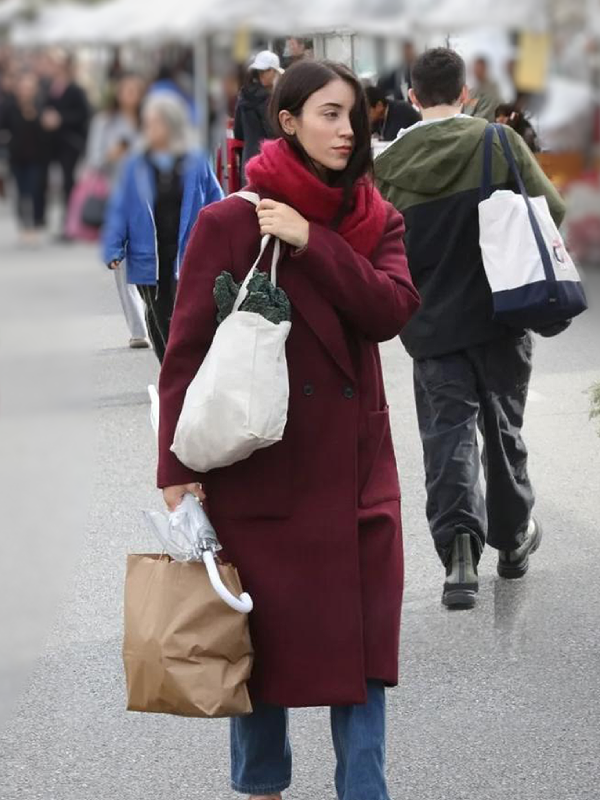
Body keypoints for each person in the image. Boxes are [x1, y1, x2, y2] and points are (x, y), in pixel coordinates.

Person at [157, 59, 420, 800]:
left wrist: (315, 241)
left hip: (357, 474)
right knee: (262, 653)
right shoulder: (229, 221)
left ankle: (364, 792)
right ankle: (261, 788)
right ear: (288, 121)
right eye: (329, 114)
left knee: (363, 652)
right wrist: (176, 474)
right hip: (260, 468)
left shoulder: (375, 215)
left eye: (353, 114)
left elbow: (392, 311)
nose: (347, 129)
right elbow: (184, 354)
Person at [375, 48, 565, 609]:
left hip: (429, 325)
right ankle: (510, 543)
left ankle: (460, 557)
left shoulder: (387, 165)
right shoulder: (497, 142)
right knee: (502, 430)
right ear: (464, 93)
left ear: (411, 97)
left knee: (446, 434)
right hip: (499, 316)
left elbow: (376, 245)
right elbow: (549, 209)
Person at [103, 93, 223, 363]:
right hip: (148, 255)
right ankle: (173, 372)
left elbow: (217, 200)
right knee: (158, 315)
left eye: (155, 123)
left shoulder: (194, 161)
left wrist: (228, 236)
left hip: (187, 252)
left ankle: (178, 374)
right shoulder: (135, 164)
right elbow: (120, 207)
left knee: (181, 317)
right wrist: (113, 246)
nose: (149, 129)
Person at [86, 73, 149, 349]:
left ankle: (157, 317)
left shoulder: (152, 120)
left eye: (135, 90)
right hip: (117, 199)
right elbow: (94, 160)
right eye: (125, 90)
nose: (130, 95)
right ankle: (139, 330)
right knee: (120, 264)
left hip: (151, 199)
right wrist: (112, 154)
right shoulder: (105, 123)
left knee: (152, 260)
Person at [40, 52, 90, 238]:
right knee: (54, 181)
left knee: (68, 181)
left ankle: (70, 221)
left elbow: (83, 114)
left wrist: (61, 119)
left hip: (70, 142)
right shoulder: (50, 88)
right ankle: (59, 219)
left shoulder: (75, 89)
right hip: (53, 143)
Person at [0, 71, 49, 245]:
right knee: (20, 193)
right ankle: (24, 226)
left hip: (37, 157)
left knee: (35, 190)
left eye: (29, 88)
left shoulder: (41, 105)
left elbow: (47, 132)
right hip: (16, 157)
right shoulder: (9, 106)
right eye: (23, 88)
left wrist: (37, 119)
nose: (26, 91)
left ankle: (35, 224)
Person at [234, 51, 282, 183]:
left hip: (248, 162)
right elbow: (274, 133)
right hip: (269, 163)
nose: (262, 75)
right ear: (273, 72)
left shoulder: (243, 96)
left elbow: (238, 133)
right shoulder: (268, 100)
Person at [464, 56, 503, 122]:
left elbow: (481, 117)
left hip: (481, 129)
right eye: (474, 69)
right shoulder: (472, 91)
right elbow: (464, 110)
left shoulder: (492, 90)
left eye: (478, 69)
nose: (475, 72)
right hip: (467, 126)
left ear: (485, 69)